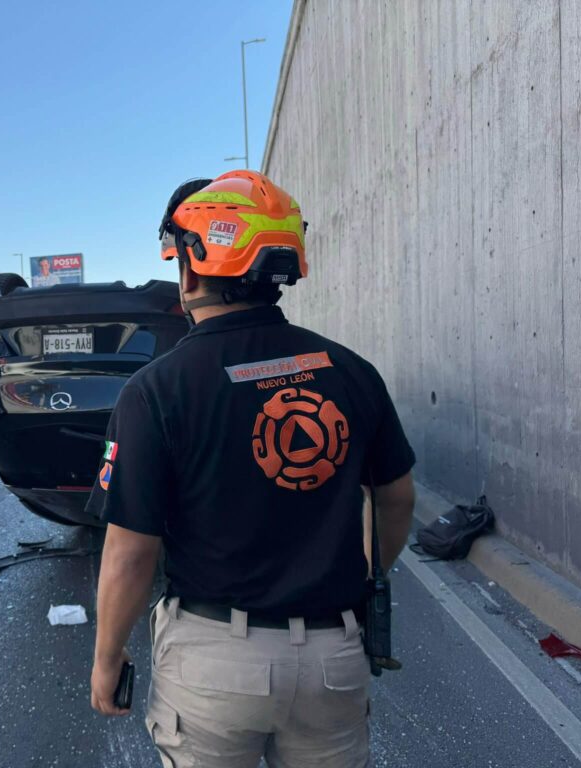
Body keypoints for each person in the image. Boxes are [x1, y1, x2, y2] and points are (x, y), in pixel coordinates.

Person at [88, 171, 416, 767]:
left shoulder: (155, 391)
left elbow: (131, 553)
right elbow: (396, 499)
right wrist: (369, 576)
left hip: (214, 665)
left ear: (190, 270)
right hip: (333, 659)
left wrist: (108, 656)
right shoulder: (351, 371)